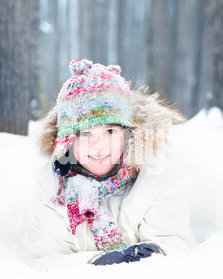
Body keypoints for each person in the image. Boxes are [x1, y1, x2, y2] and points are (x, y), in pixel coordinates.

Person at [29, 58, 197, 266]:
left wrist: (152, 257)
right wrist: (96, 263)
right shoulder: (53, 188)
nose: (99, 147)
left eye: (110, 131)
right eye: (86, 134)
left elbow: (174, 246)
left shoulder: (154, 175)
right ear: (68, 140)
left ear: (128, 133)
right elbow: (47, 259)